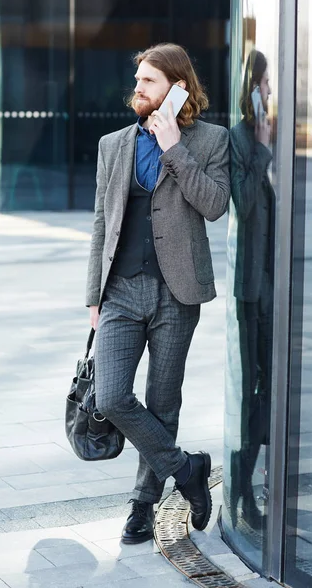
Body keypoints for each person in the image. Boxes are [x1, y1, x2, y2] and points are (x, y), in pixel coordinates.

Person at [86, 43, 230, 544]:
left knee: (162, 401)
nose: (138, 89)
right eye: (139, 80)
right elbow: (102, 224)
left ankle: (143, 505)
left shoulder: (211, 141)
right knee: (112, 396)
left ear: (177, 87)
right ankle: (187, 469)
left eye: (148, 81)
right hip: (121, 292)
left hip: (177, 292)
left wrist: (174, 147)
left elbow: (213, 206)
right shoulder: (114, 145)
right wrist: (93, 298)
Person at [229, 50, 275, 530]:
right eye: (264, 83)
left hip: (269, 289)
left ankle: (243, 486)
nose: (269, 91)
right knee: (250, 395)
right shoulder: (240, 139)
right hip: (249, 292)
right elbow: (240, 205)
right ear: (251, 87)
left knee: (268, 390)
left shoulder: (267, 140)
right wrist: (261, 148)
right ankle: (243, 493)